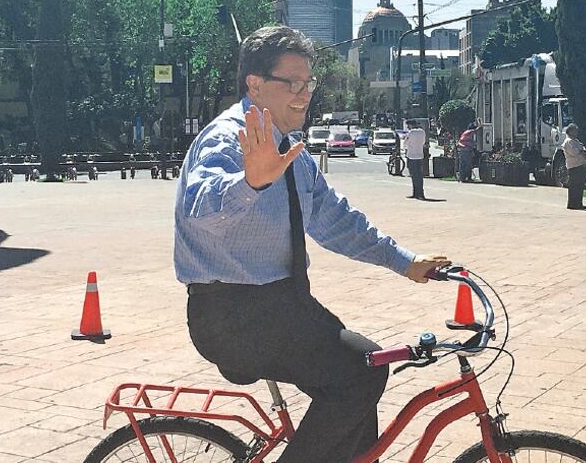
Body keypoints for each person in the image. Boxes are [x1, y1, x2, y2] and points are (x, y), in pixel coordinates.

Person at [175, 26, 448, 462]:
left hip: (281, 305)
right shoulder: (228, 139)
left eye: (309, 84)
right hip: (232, 313)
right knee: (359, 374)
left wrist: (405, 262)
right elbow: (200, 208)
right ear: (255, 84)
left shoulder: (290, 152)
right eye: (292, 84)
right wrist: (250, 182)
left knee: (363, 376)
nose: (304, 94)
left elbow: (335, 218)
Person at [561, 124, 586, 210]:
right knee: (574, 186)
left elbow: (583, 148)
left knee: (580, 186)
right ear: (570, 131)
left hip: (580, 164)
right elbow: (574, 152)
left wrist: (583, 152)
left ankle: (579, 203)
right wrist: (581, 152)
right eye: (575, 130)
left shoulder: (575, 140)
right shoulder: (568, 142)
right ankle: (572, 204)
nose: (576, 132)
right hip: (573, 166)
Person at [404, 119, 427, 200]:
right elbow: (423, 142)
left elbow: (406, 143)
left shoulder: (411, 133)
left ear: (410, 125)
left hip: (411, 156)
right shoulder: (422, 132)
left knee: (414, 175)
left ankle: (416, 193)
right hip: (420, 155)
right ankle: (420, 192)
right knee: (419, 175)